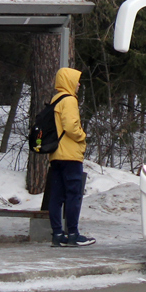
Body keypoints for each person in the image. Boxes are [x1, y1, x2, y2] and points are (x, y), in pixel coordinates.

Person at [48, 67, 95, 247]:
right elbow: (70, 127)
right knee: (73, 195)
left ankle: (58, 234)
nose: (79, 84)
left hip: (56, 154)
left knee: (56, 196)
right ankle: (74, 234)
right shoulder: (69, 100)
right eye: (76, 80)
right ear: (69, 82)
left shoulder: (56, 99)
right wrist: (82, 136)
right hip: (70, 155)